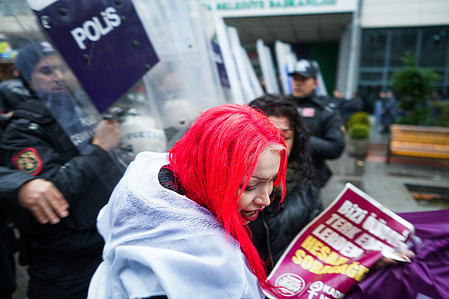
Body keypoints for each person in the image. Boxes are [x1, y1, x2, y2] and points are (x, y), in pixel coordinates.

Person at [87, 104, 288, 299]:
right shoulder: (214, 259)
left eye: (272, 181)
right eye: (249, 186)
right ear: (209, 173)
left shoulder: (149, 170)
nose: (266, 199)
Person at [0, 40, 124, 298]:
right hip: (66, 266)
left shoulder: (89, 112)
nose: (58, 77)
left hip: (110, 245)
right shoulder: (25, 128)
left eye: (63, 69)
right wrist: (99, 148)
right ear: (29, 81)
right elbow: (54, 193)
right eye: (47, 71)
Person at [248, 94, 324, 272]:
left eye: (285, 137)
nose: (277, 145)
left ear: (296, 140)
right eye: (267, 134)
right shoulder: (225, 184)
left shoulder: (307, 187)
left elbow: (320, 242)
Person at [288, 59, 345, 188]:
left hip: (310, 180)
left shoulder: (326, 108)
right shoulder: (280, 104)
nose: (298, 83)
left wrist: (299, 141)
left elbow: (336, 147)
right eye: (295, 78)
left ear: (315, 83)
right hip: (278, 178)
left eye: (303, 79)